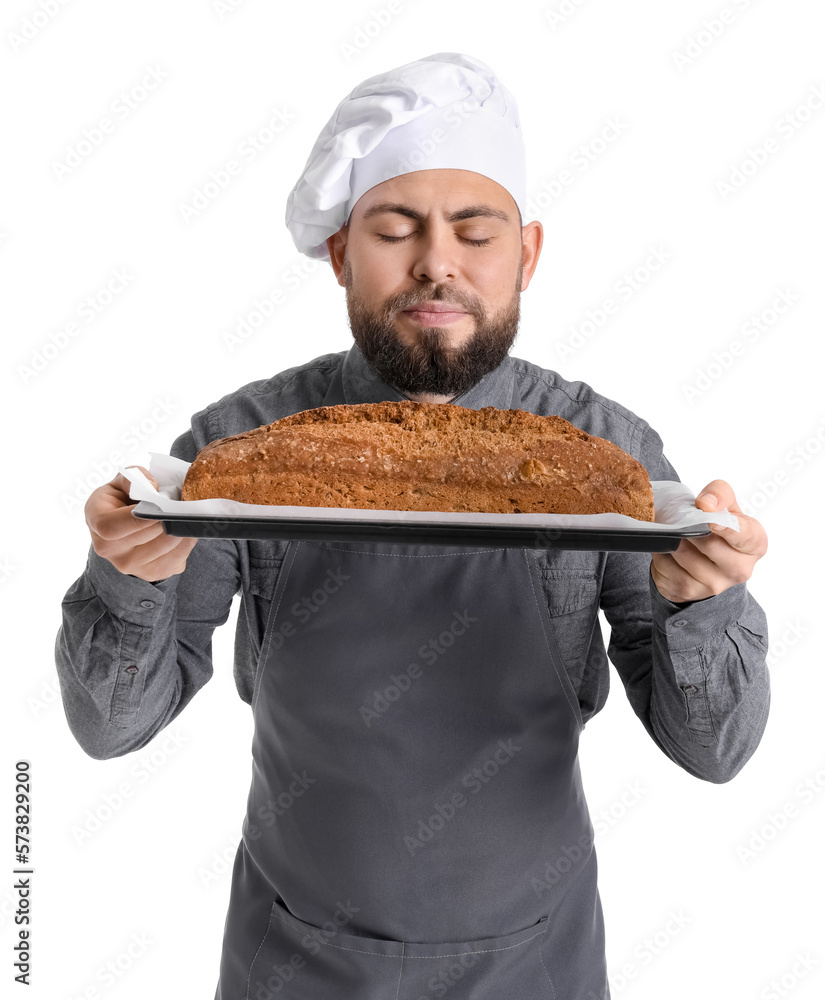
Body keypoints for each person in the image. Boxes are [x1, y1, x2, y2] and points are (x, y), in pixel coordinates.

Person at [55, 53, 770, 1000]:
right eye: (395, 230)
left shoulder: (611, 457)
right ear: (343, 253)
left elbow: (713, 754)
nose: (437, 261)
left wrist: (703, 607)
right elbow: (110, 730)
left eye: (477, 232)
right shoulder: (234, 451)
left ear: (529, 254)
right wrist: (125, 576)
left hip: (535, 962)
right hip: (295, 960)